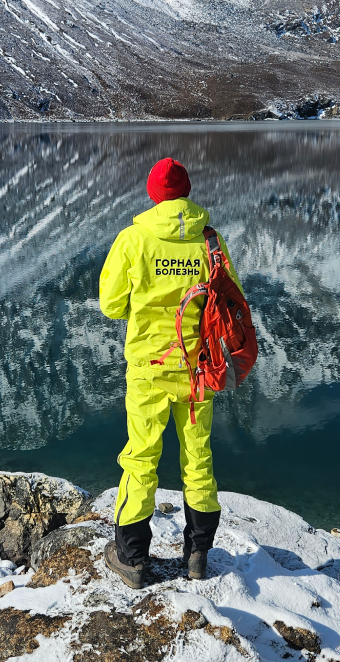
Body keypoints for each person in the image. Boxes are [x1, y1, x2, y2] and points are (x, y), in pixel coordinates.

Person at [99, 157, 244, 588]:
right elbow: (229, 299)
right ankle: (197, 556)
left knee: (141, 458)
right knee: (198, 459)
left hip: (149, 368)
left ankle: (132, 558)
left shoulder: (134, 239)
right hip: (200, 370)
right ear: (187, 191)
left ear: (153, 194)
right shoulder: (211, 241)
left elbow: (111, 305)